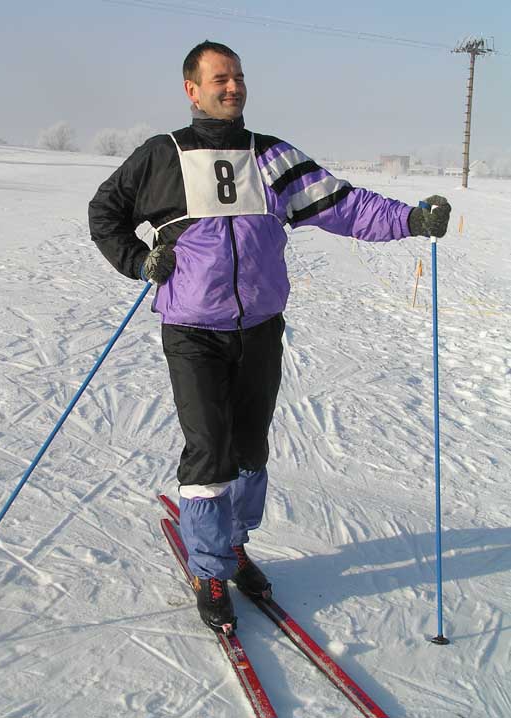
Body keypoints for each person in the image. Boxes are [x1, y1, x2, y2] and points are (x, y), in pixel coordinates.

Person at [89, 40, 451, 635]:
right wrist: (138, 261)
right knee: (209, 449)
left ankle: (233, 546)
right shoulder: (162, 155)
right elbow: (105, 213)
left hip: (259, 328)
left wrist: (411, 219)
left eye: (237, 77)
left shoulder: (271, 156)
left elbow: (343, 205)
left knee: (249, 449)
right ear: (192, 89)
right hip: (193, 330)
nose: (233, 87)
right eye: (219, 79)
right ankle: (209, 569)